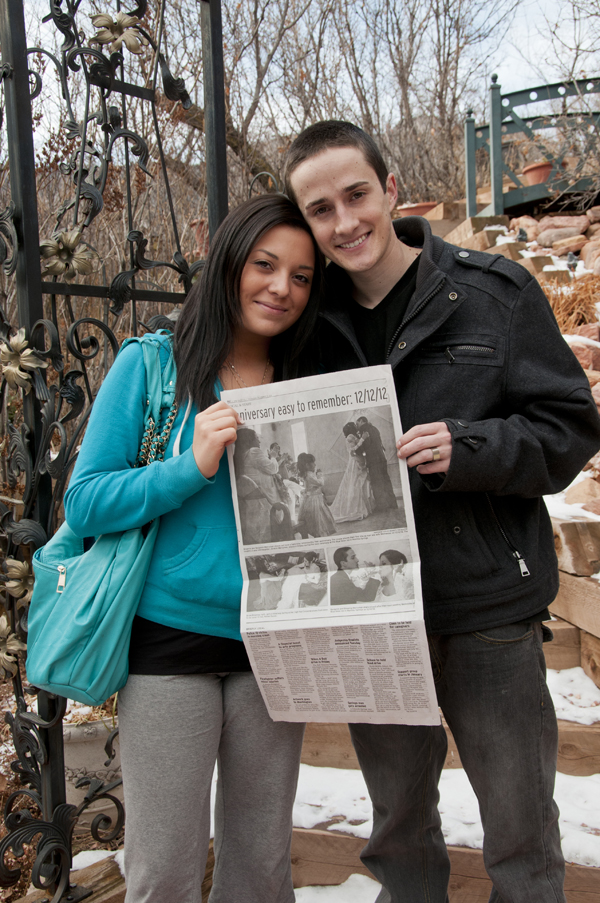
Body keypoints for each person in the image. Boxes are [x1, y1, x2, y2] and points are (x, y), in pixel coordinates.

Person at [284, 120, 600, 903]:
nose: (346, 221)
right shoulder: (303, 323)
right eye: (320, 210)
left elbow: (569, 427)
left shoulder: (494, 293)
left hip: (486, 604)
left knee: (522, 833)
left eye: (357, 195)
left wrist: (473, 448)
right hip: (367, 611)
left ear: (390, 190)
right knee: (397, 832)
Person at [64, 193, 324, 903]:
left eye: (302, 276)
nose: (282, 288)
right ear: (229, 262)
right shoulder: (152, 365)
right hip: (169, 640)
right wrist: (189, 465)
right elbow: (84, 501)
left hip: (273, 643)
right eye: (266, 265)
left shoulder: (311, 382)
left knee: (261, 866)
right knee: (165, 869)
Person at [330, 421, 373, 522]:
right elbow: (352, 451)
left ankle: (364, 507)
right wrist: (362, 439)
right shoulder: (350, 437)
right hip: (355, 463)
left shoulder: (353, 436)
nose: (356, 426)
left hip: (359, 461)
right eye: (354, 426)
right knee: (356, 484)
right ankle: (354, 509)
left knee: (360, 484)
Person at [355, 416, 397, 510]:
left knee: (376, 483)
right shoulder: (374, 428)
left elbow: (365, 446)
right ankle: (392, 503)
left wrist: (358, 448)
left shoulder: (363, 429)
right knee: (386, 480)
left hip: (373, 461)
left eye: (357, 423)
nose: (357, 426)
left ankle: (382, 506)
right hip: (382, 458)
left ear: (362, 421)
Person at [296, 452, 337, 537]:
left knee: (321, 517)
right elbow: (320, 483)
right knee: (318, 519)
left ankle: (320, 533)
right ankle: (319, 533)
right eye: (313, 463)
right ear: (307, 465)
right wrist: (320, 475)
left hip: (315, 498)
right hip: (314, 500)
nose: (315, 465)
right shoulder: (309, 475)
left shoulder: (308, 474)